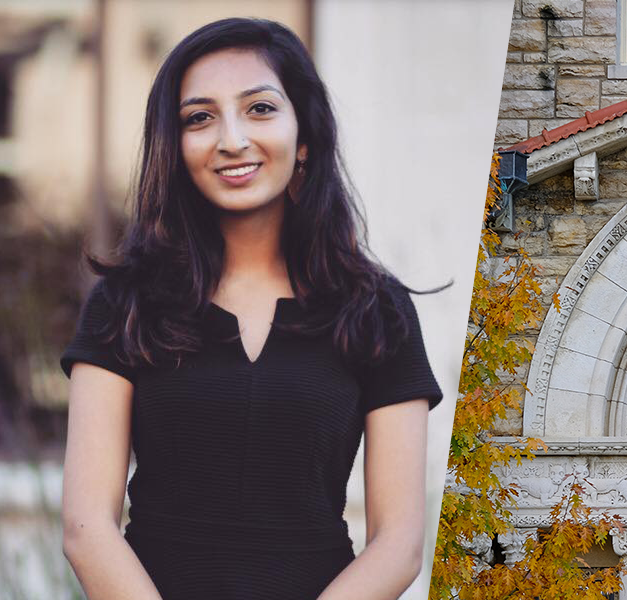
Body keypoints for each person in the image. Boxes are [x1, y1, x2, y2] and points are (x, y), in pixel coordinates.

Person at [58, 18, 442, 600]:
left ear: (305, 134)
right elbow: (87, 530)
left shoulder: (377, 311)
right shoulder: (124, 303)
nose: (231, 139)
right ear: (175, 145)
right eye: (200, 117)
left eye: (259, 109)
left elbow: (400, 545)